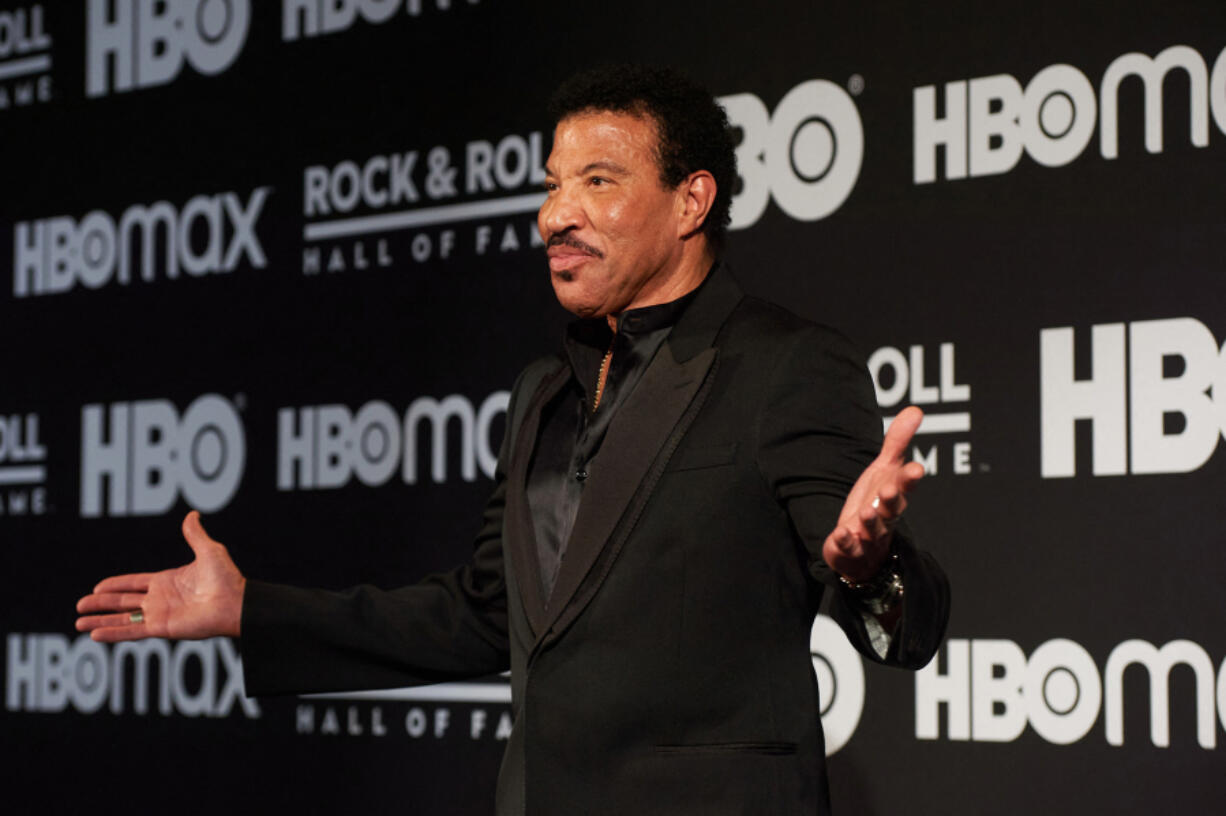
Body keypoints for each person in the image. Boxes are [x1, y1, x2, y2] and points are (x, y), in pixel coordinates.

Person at [77, 65, 950, 815]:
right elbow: (487, 615)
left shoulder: (781, 364)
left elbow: (910, 627)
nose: (554, 215)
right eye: (550, 185)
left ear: (692, 201)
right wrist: (251, 610)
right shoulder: (545, 390)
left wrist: (869, 564)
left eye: (598, 182)